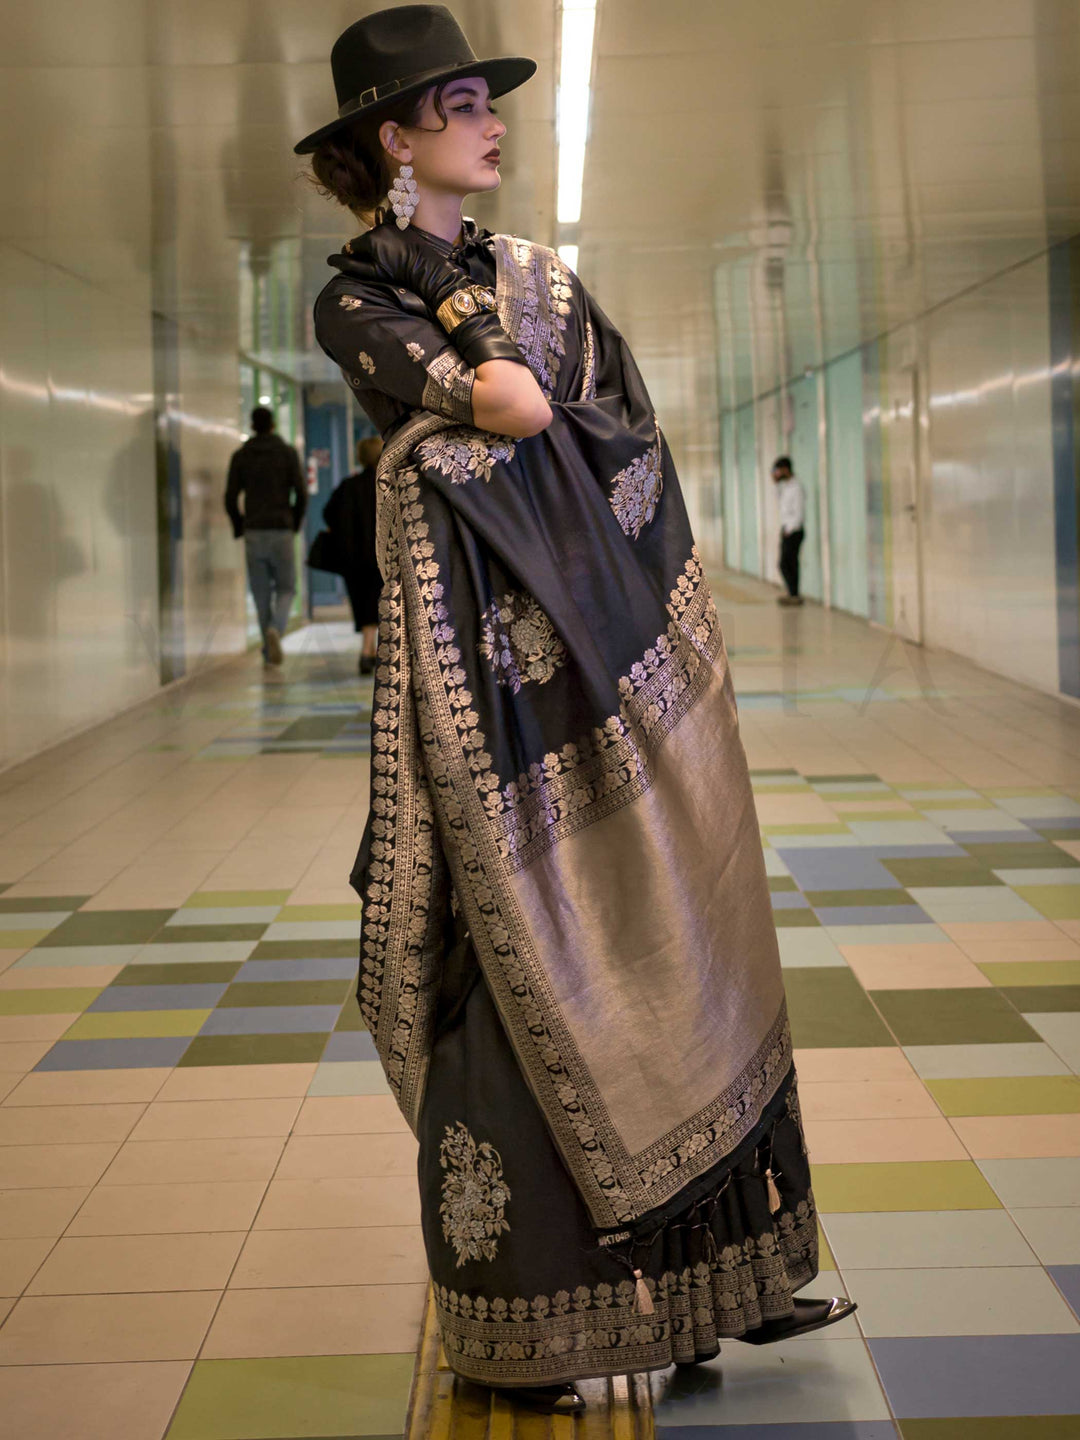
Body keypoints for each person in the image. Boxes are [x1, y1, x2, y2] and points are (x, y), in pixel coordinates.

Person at [296, 5, 853, 1414]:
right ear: (394, 138)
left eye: (492, 100)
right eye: (467, 103)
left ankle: (717, 1286)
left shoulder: (542, 279)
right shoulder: (355, 297)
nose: (496, 124)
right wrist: (475, 389)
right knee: (511, 980)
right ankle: (535, 1323)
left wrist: (477, 410)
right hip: (490, 717)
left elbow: (616, 433)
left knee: (678, 939)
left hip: (618, 662)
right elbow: (508, 409)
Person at [225, 406, 307, 664]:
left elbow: (230, 496)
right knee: (286, 589)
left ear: (252, 426)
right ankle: (276, 631)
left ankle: (266, 647)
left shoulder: (242, 455)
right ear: (272, 425)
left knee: (261, 594)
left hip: (254, 530)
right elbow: (301, 493)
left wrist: (240, 525)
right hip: (281, 529)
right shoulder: (287, 453)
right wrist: (293, 522)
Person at [321, 435, 383, 673]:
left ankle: (367, 650)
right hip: (382, 558)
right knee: (379, 604)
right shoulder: (389, 483)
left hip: (354, 560)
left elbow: (328, 513)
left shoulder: (349, 486)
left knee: (363, 605)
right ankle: (370, 651)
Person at [772, 455, 805, 606]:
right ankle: (792, 593)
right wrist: (775, 483)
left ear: (785, 469)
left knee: (787, 563)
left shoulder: (796, 487)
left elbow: (799, 512)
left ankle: (794, 594)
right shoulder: (785, 486)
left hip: (794, 531)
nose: (776, 473)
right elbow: (779, 503)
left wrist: (790, 529)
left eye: (778, 471)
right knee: (787, 564)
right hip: (786, 529)